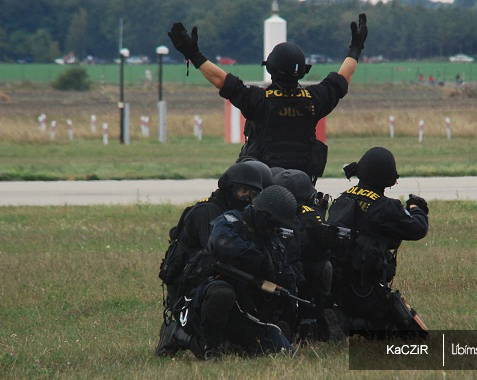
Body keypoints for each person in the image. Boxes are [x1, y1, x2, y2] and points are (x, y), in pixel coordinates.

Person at [167, 14, 368, 183]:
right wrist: (356, 48)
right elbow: (343, 78)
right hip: (303, 185)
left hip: (263, 185)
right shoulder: (314, 99)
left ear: (271, 69)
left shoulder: (258, 100)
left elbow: (221, 80)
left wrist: (194, 54)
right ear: (302, 72)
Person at [156, 162, 263, 357]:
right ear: (230, 189)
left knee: (249, 346)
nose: (248, 197)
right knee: (222, 295)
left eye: (253, 193)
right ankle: (182, 334)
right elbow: (218, 256)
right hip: (188, 287)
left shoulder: (237, 215)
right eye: (243, 191)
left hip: (210, 279)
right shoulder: (208, 212)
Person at [183, 185, 299, 361]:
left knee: (283, 352)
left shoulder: (272, 238)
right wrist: (260, 260)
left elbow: (285, 271)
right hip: (210, 295)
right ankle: (208, 345)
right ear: (264, 215)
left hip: (248, 307)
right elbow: (223, 245)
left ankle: (234, 341)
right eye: (274, 222)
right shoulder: (231, 220)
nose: (276, 227)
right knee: (221, 293)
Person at [326, 147, 429, 338]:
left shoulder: (342, 199)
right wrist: (417, 208)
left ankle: (339, 315)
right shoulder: (385, 207)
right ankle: (344, 322)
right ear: (389, 177)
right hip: (366, 290)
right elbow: (418, 229)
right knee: (409, 331)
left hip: (336, 287)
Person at [273, 169, 345, 342]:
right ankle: (312, 320)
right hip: (308, 280)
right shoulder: (312, 213)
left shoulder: (271, 210)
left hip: (278, 275)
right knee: (325, 268)